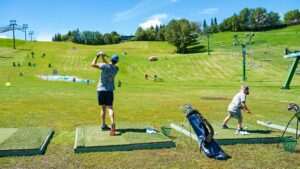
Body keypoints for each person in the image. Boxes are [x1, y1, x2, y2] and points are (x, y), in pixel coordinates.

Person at [91, 51, 119, 136]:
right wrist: (103, 57)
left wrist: (97, 55)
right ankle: (112, 123)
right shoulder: (116, 69)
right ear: (116, 62)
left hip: (101, 90)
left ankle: (103, 125)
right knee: (110, 108)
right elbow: (109, 66)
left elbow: (93, 64)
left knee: (103, 108)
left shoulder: (104, 66)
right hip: (109, 90)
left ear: (111, 59)